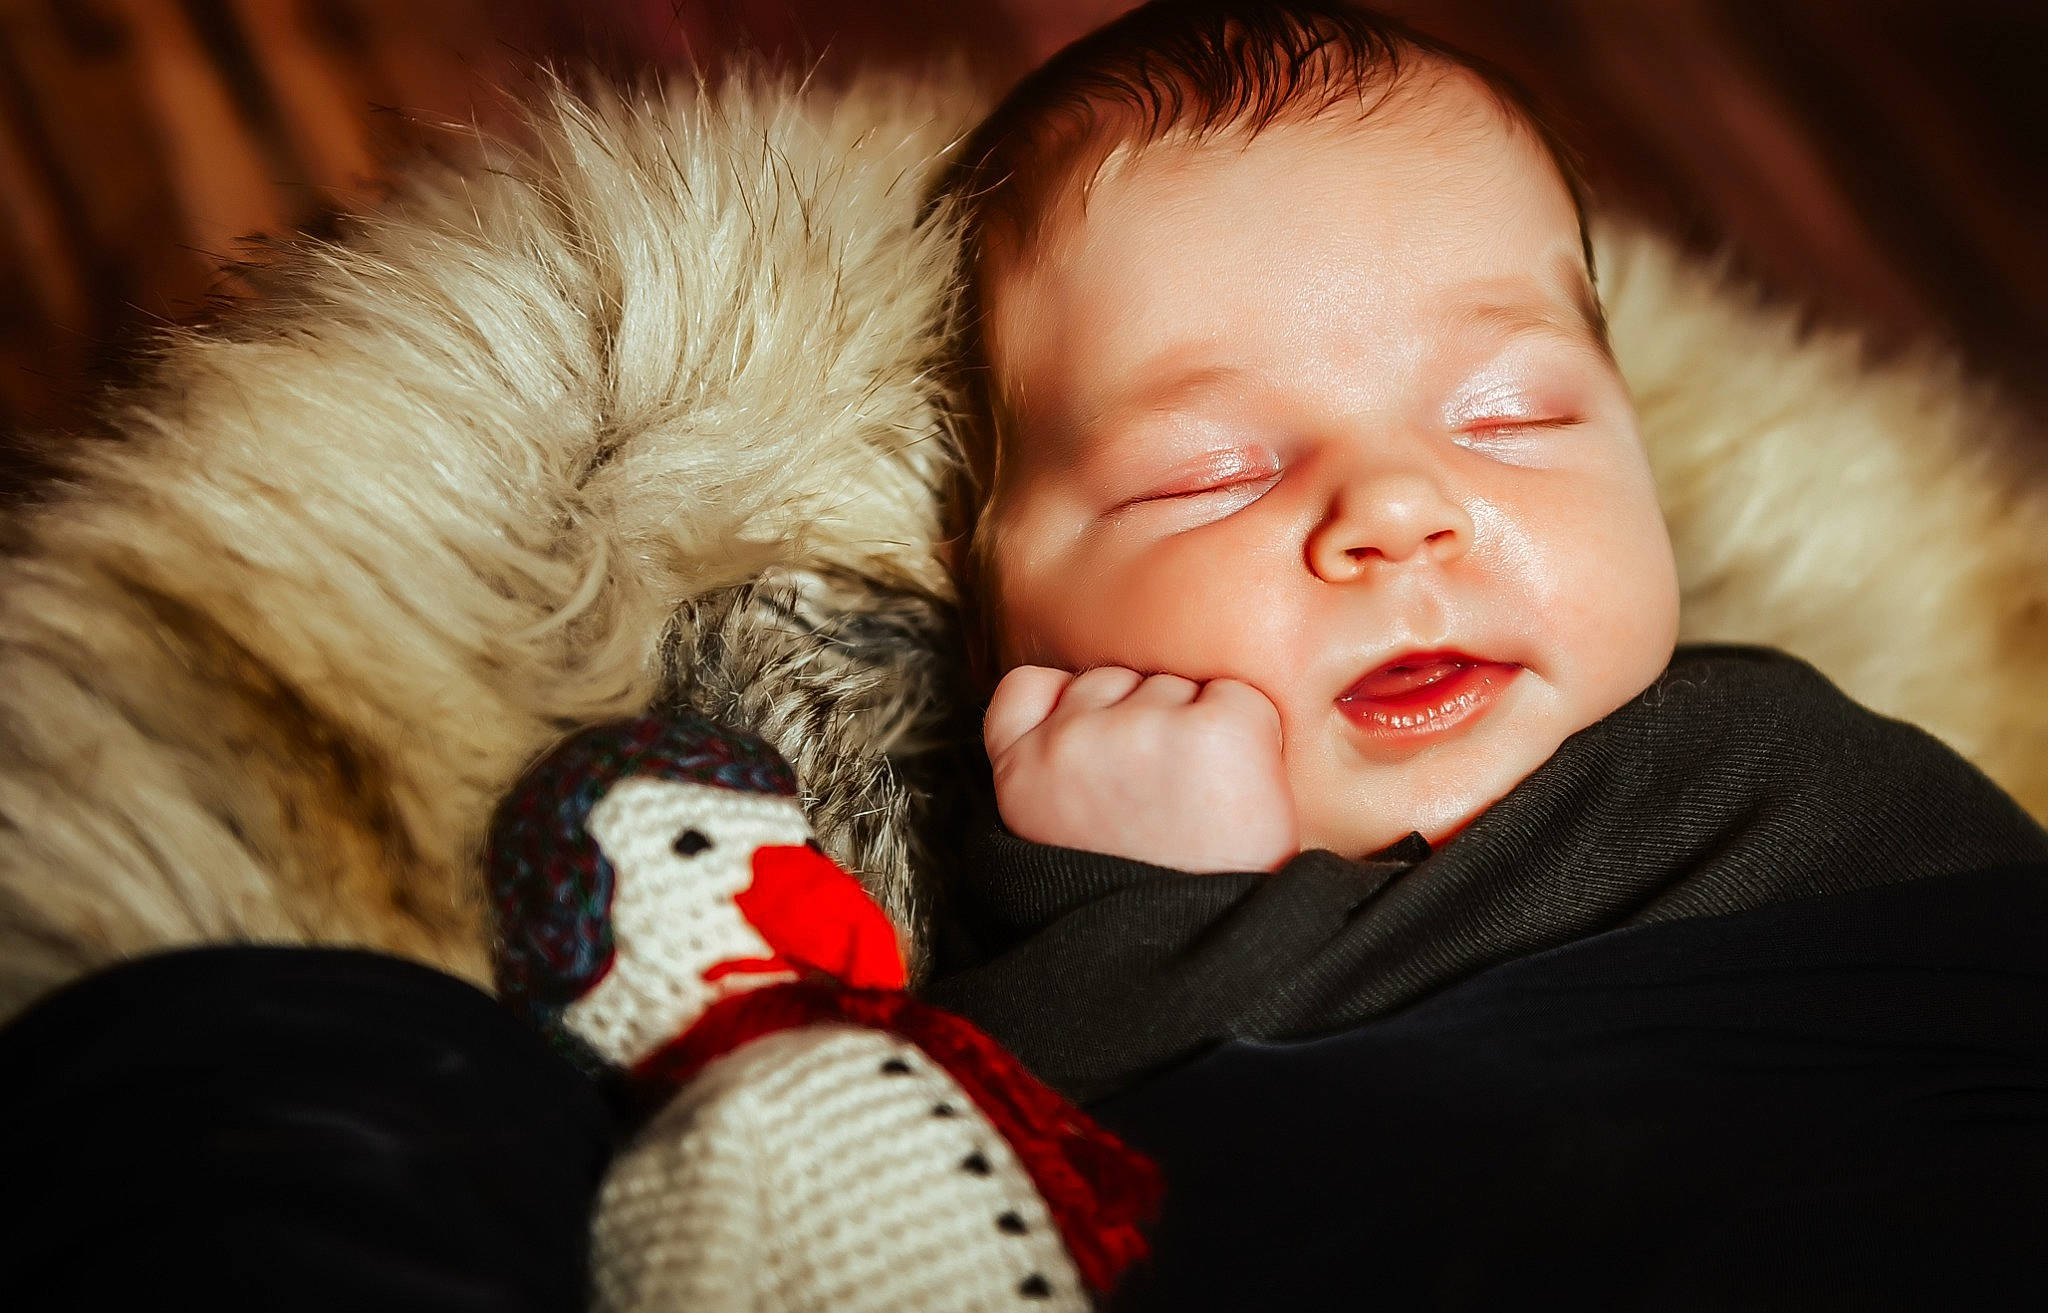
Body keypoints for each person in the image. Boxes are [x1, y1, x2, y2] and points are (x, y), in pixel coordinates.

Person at [918, 3, 2048, 1307]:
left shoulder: (1778, 776)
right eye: (1207, 477)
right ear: (988, 587)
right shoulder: (1044, 909)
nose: (1397, 512)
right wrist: (1143, 905)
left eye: (1511, 415)